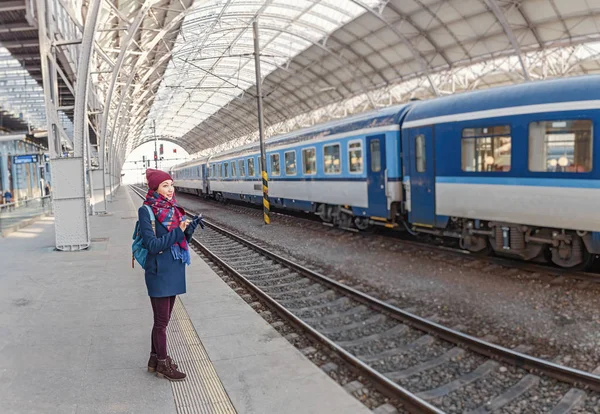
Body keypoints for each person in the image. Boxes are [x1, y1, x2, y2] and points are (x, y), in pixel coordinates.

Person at [139, 168, 200, 381]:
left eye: (171, 185)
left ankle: (155, 360)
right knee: (161, 322)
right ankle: (164, 365)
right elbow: (153, 245)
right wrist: (178, 232)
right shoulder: (146, 210)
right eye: (165, 185)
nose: (170, 189)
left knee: (163, 321)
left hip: (173, 269)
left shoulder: (173, 209)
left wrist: (188, 230)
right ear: (155, 188)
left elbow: (179, 240)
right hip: (158, 271)